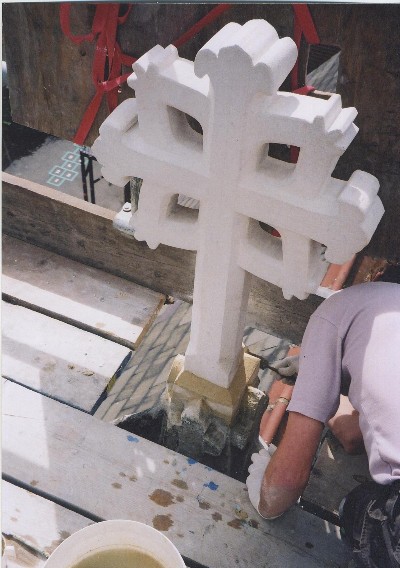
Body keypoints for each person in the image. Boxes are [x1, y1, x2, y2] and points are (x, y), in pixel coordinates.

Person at [246, 281, 400, 567]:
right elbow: (355, 434)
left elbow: (285, 485)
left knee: (356, 509)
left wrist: (265, 495)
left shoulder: (331, 313)